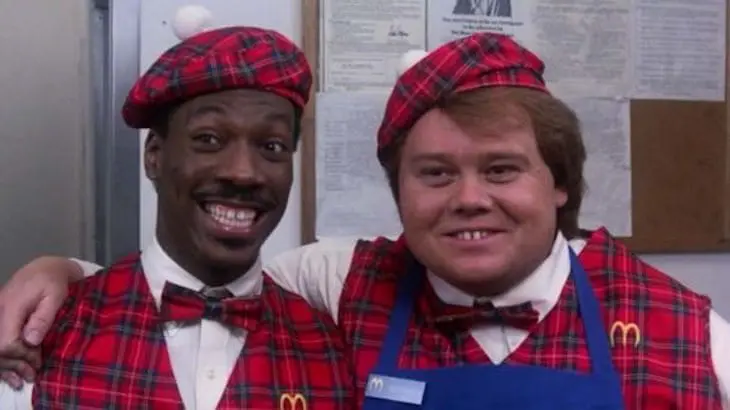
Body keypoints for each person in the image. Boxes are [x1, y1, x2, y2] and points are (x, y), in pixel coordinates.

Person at [1, 32, 729, 409]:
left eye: (502, 169)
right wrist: (61, 275)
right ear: (398, 192)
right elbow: (205, 282)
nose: (470, 198)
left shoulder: (690, 333)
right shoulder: (345, 284)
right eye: (435, 173)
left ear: (561, 184)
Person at [0, 24, 355, 409]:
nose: (244, 172)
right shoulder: (37, 335)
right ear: (154, 155)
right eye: (208, 140)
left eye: (272, 146)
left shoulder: (331, 350)